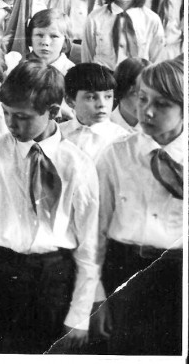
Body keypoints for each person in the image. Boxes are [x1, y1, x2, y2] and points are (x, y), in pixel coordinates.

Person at [0, 60, 100, 353]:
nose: (10, 124)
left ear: (53, 112)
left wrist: (80, 312)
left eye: (22, 117)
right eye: (6, 113)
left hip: (53, 278)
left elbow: (89, 245)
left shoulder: (77, 164)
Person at [94, 59, 183, 356]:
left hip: (179, 275)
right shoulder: (116, 155)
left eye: (162, 104)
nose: (147, 111)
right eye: (142, 98)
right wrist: (95, 293)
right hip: (125, 270)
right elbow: (95, 229)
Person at [82, 0, 165, 70]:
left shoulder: (152, 20)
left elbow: (156, 61)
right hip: (103, 78)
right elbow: (87, 59)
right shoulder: (95, 17)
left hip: (138, 78)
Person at [60, 63, 129, 161]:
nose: (102, 104)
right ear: (70, 101)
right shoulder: (58, 133)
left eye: (108, 96)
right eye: (91, 97)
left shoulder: (122, 139)